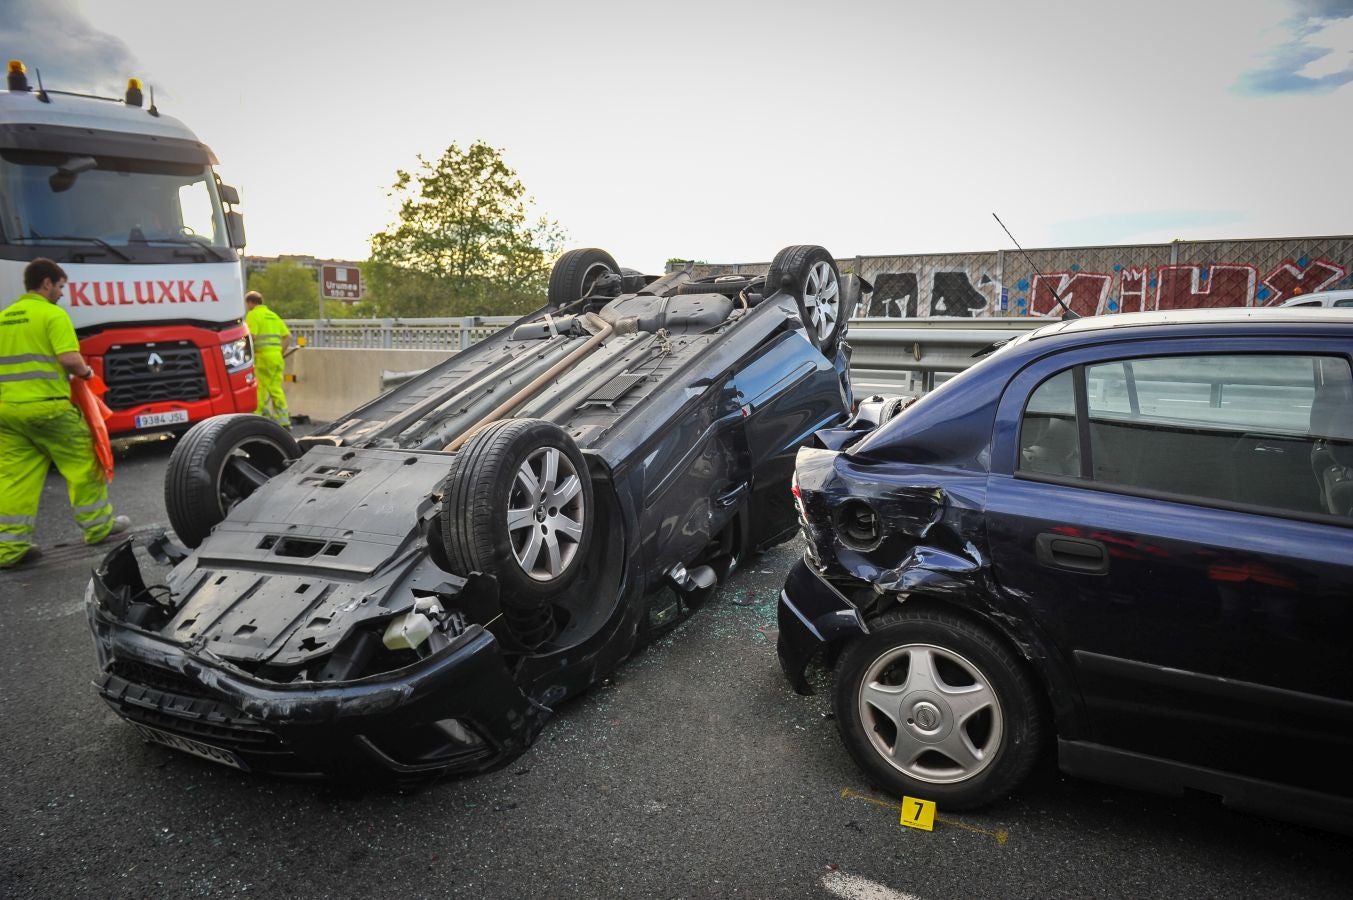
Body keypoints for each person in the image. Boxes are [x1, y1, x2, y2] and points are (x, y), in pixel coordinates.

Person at [0, 258, 130, 568]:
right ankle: (98, 527)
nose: (61, 293)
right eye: (60, 287)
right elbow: (69, 358)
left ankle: (9, 548)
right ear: (46, 283)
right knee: (85, 461)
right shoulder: (52, 315)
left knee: (15, 477)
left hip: (7, 412)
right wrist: (87, 374)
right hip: (49, 409)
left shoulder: (4, 318)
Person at [244, 290, 291, 427]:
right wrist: (279, 351)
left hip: (263, 357)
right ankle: (284, 421)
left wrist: (246, 354)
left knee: (261, 388)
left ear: (251, 303)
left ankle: (258, 419)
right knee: (276, 388)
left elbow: (251, 336)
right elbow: (287, 337)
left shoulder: (253, 315)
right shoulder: (273, 315)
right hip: (276, 357)